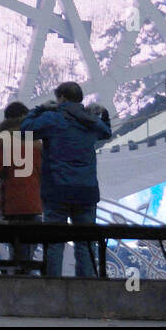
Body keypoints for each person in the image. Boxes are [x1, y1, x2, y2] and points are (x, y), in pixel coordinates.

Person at [19, 82, 112, 277]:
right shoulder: (90, 120)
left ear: (61, 98)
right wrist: (103, 113)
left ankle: (54, 287)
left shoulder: (52, 118)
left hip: (57, 191)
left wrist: (39, 109)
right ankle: (86, 287)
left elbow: (25, 130)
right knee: (85, 244)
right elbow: (106, 132)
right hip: (86, 191)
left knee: (55, 243)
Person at [0, 101, 42, 273]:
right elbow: (43, 172)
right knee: (29, 248)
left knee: (15, 248)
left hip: (11, 205)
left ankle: (17, 279)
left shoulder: (3, 140)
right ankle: (26, 277)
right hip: (34, 204)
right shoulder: (37, 141)